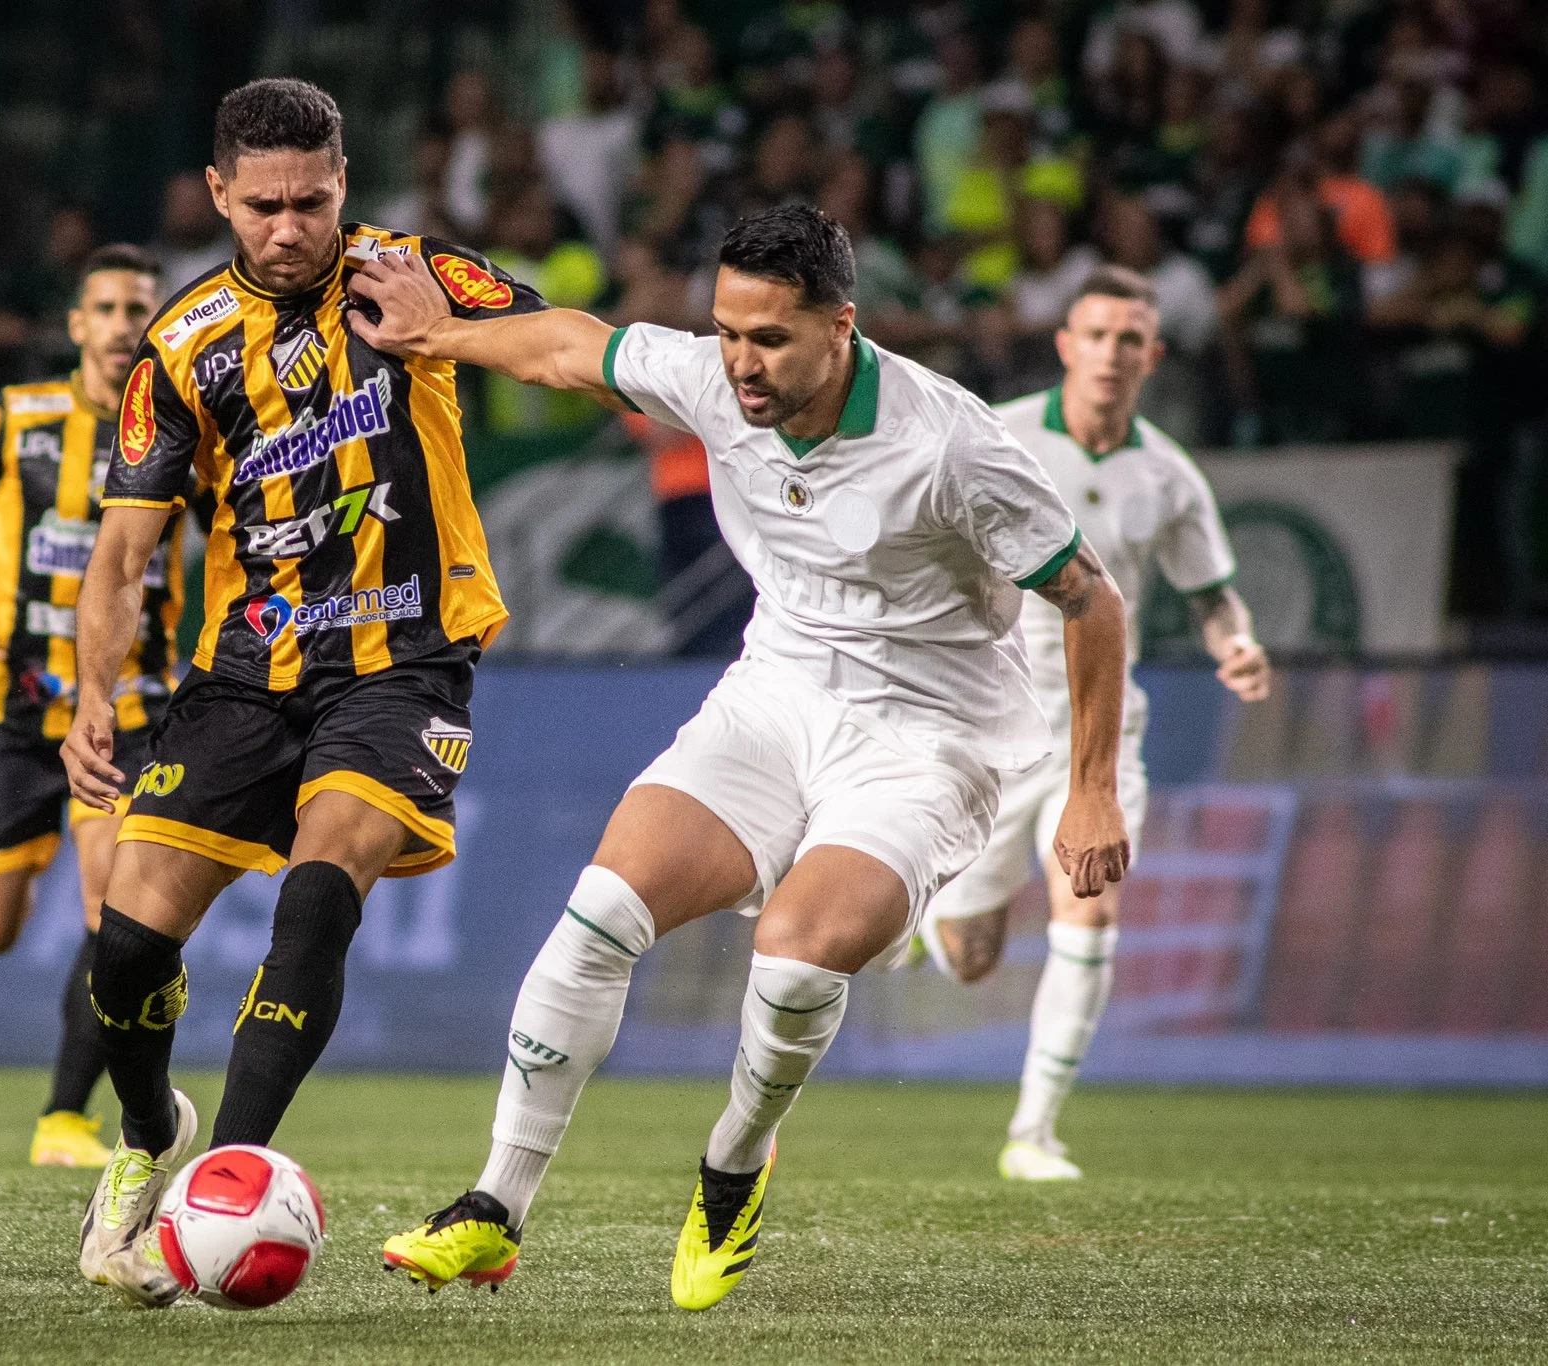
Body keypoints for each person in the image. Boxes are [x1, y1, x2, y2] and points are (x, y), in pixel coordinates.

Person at [351, 204, 1131, 1310]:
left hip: (927, 739)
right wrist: (439, 336)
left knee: (794, 957)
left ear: (839, 328)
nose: (740, 362)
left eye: (768, 338)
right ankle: (492, 1207)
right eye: (725, 332)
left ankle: (732, 1163)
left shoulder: (947, 444)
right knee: (598, 913)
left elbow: (1088, 598)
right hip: (773, 699)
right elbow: (571, 348)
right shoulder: (711, 378)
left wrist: (1091, 791)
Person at [55, 77, 546, 1306]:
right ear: (219, 192)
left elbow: (556, 337)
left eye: (313, 202)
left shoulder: (410, 272)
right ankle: (143, 1137)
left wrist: (453, 331)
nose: (290, 227)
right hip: (244, 675)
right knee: (122, 949)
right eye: (264, 205)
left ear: (343, 185)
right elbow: (122, 554)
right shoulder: (177, 347)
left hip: (405, 657)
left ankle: (223, 1168)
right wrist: (90, 702)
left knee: (320, 896)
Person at [917, 267, 1272, 1181]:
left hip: (1102, 733)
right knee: (970, 960)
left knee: (1093, 902)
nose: (1112, 353)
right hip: (987, 725)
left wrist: (1237, 646)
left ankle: (1034, 1133)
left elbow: (1213, 597)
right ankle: (936, 922)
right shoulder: (998, 435)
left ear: (1152, 356)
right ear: (1066, 344)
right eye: (1097, 335)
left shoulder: (1170, 476)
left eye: (1130, 340)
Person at [0, 244, 185, 1169]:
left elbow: (239, 537)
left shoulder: (183, 427)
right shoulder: (14, 421)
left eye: (140, 305)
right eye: (106, 306)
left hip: (129, 706)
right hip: (15, 705)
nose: (123, 322)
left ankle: (64, 1118)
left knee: (117, 908)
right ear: (77, 325)